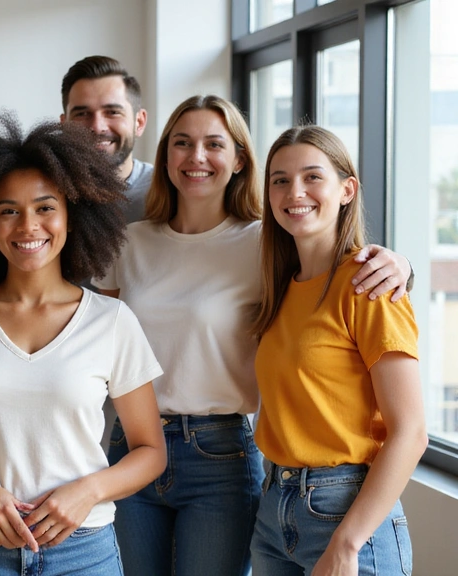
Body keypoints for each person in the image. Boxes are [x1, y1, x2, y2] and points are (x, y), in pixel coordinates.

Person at [92, 95, 413, 576]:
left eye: (214, 144)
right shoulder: (134, 242)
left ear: (239, 159)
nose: (196, 156)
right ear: (164, 157)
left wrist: (399, 266)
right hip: (138, 445)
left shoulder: (264, 243)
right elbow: (98, 346)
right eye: (182, 143)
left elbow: (336, 263)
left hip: (220, 450)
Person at [0, 113, 167, 575]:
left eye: (46, 207)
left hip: (82, 549)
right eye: (9, 210)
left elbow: (150, 452)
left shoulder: (111, 322)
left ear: (72, 214)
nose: (28, 225)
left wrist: (89, 490)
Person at [249, 125, 426, 575]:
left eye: (313, 177)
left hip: (347, 512)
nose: (295, 192)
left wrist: (348, 543)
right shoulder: (280, 289)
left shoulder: (370, 284)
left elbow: (411, 432)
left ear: (347, 190)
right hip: (274, 509)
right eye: (280, 180)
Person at [60, 55, 151, 222]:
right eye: (82, 114)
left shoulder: (170, 191)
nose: (97, 126)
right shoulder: (45, 192)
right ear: (64, 125)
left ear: (139, 122)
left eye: (113, 112)